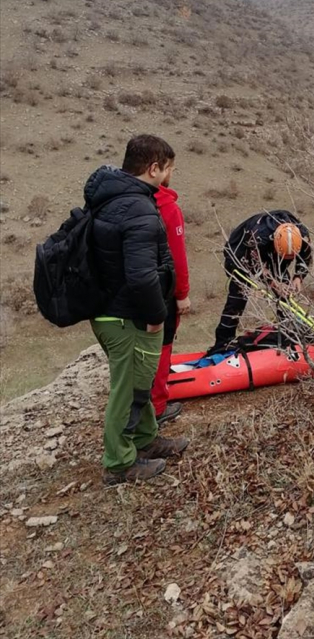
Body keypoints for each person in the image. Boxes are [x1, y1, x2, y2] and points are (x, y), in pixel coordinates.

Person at [85, 134, 189, 485]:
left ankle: (145, 440)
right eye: (166, 169)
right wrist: (157, 317)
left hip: (110, 308)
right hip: (125, 314)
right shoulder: (140, 209)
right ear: (153, 168)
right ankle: (118, 463)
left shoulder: (112, 198)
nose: (167, 177)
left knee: (139, 382)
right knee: (127, 389)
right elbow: (143, 276)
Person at [207, 210, 312, 356]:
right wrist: (273, 283)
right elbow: (256, 266)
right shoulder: (258, 237)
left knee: (286, 296)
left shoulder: (302, 236)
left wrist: (298, 277)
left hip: (273, 255)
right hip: (242, 254)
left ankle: (287, 336)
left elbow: (305, 258)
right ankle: (223, 343)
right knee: (238, 298)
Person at [150, 177, 191, 425]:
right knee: (162, 346)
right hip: (160, 290)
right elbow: (177, 256)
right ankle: (157, 406)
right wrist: (182, 293)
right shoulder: (167, 207)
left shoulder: (123, 200)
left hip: (125, 293)